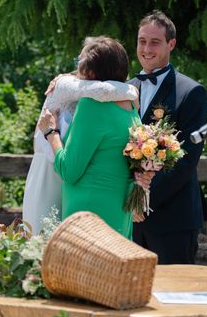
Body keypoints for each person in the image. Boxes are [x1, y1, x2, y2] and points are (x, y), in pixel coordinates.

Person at [129, 10, 207, 317]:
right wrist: (130, 202)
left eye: (155, 42)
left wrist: (146, 200)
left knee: (177, 305)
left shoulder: (190, 93)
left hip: (173, 217)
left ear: (171, 45)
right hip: (129, 218)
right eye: (143, 41)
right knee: (135, 302)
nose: (147, 49)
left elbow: (186, 163)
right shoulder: (123, 89)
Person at [37, 36, 140, 238]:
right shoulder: (131, 106)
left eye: (79, 64)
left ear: (91, 72)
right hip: (118, 211)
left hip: (89, 216)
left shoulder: (92, 106)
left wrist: (51, 132)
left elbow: (70, 169)